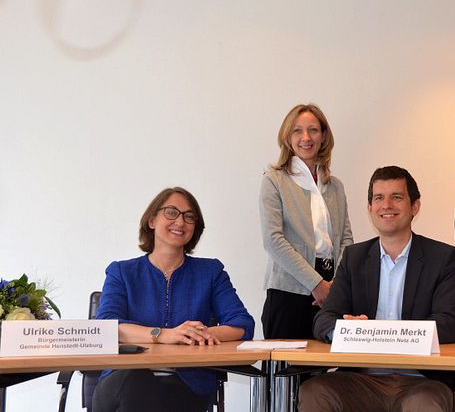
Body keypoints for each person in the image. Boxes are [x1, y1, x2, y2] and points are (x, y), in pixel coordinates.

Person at [298, 166, 455, 412]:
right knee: (314, 391)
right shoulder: (354, 257)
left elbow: (449, 323)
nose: (386, 205)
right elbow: (324, 319)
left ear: (414, 206)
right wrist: (346, 331)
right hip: (361, 379)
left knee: (424, 405)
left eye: (396, 197)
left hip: (421, 381)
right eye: (379, 198)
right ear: (370, 208)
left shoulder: (442, 257)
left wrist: (381, 334)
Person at [93, 187, 255, 412]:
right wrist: (165, 335)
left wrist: (195, 334)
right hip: (122, 379)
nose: (180, 222)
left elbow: (242, 324)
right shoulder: (122, 272)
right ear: (151, 221)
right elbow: (107, 327)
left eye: (189, 217)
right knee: (137, 386)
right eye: (171, 212)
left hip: (187, 384)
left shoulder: (211, 272)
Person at [260, 103, 354, 339]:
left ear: (323, 136)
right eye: (297, 131)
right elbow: (273, 240)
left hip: (331, 289)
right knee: (286, 371)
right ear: (287, 137)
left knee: (322, 372)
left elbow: (346, 238)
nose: (306, 137)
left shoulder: (335, 186)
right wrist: (316, 284)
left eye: (313, 130)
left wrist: (335, 287)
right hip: (289, 289)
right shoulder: (274, 180)